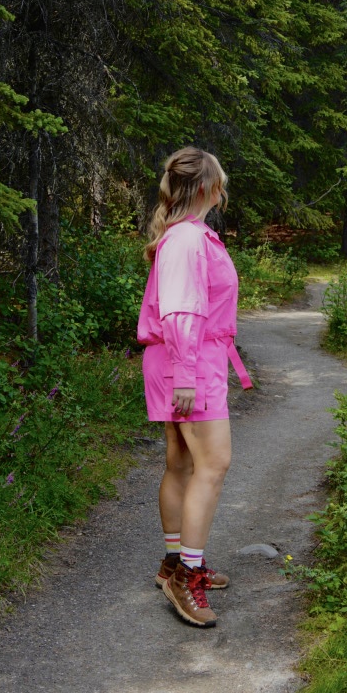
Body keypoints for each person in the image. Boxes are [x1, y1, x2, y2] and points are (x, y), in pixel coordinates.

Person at [136, 147, 252, 628]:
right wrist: (186, 374)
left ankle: (177, 561)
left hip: (182, 358)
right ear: (206, 188)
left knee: (183, 462)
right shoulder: (186, 239)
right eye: (220, 182)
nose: (224, 190)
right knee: (213, 462)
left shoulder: (189, 234)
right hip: (188, 361)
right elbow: (181, 310)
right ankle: (186, 576)